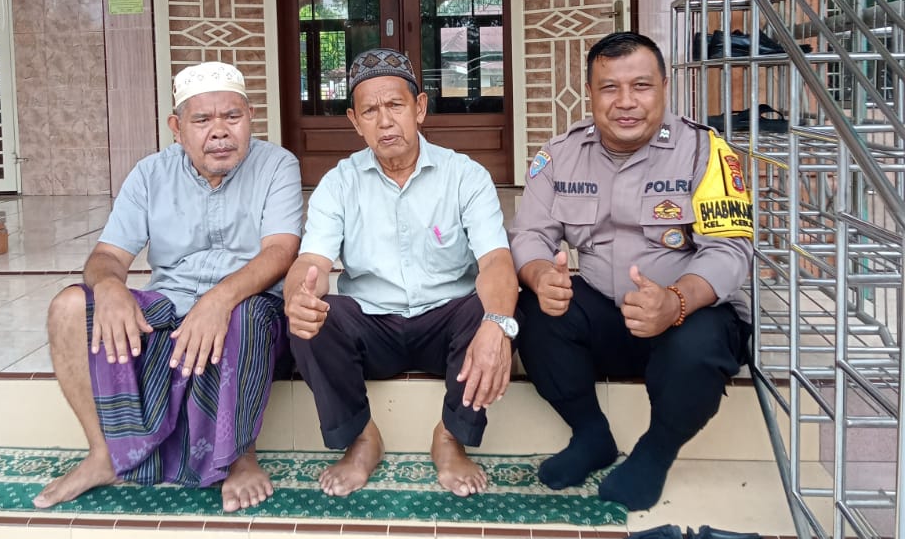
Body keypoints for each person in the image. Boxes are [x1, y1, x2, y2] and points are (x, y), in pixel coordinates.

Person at [33, 62, 302, 512]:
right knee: (69, 307)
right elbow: (107, 256)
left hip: (247, 302)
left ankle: (240, 458)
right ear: (177, 128)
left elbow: (280, 252)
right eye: (202, 120)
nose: (220, 132)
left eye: (232, 117)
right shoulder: (149, 173)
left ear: (250, 118)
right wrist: (111, 287)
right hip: (170, 300)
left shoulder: (277, 165)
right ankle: (103, 454)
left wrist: (218, 299)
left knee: (247, 314)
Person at [509, 31, 753, 512]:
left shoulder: (706, 152)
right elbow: (529, 234)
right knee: (533, 310)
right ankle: (590, 435)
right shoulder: (560, 154)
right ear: (590, 93)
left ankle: (655, 452)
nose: (625, 102)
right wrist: (539, 275)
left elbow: (730, 250)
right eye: (609, 88)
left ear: (664, 87)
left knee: (701, 345)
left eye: (640, 86)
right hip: (607, 312)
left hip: (685, 313)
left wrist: (676, 301)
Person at [285, 47, 519, 498]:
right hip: (372, 325)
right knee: (312, 319)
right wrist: (298, 295)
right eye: (370, 111)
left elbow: (495, 261)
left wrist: (497, 322)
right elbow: (310, 261)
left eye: (395, 105)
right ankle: (360, 438)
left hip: (446, 324)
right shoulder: (339, 182)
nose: (385, 121)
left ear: (420, 108)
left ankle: (450, 436)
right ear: (355, 122)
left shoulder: (464, 175)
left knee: (495, 310)